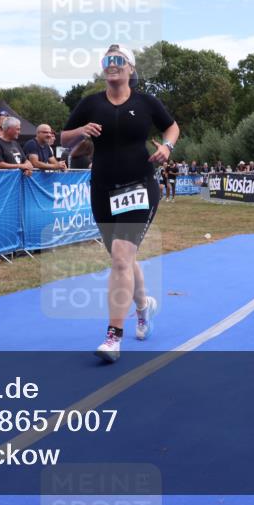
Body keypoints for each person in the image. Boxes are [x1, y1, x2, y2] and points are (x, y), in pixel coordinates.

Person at [61, 43, 179, 363]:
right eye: (107, 60)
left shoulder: (145, 102)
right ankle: (143, 308)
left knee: (121, 260)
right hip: (102, 188)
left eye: (119, 60)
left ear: (130, 69)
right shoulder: (90, 104)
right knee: (122, 259)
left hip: (138, 186)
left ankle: (113, 336)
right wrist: (80, 131)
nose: (112, 64)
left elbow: (171, 126)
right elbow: (63, 138)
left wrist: (167, 146)